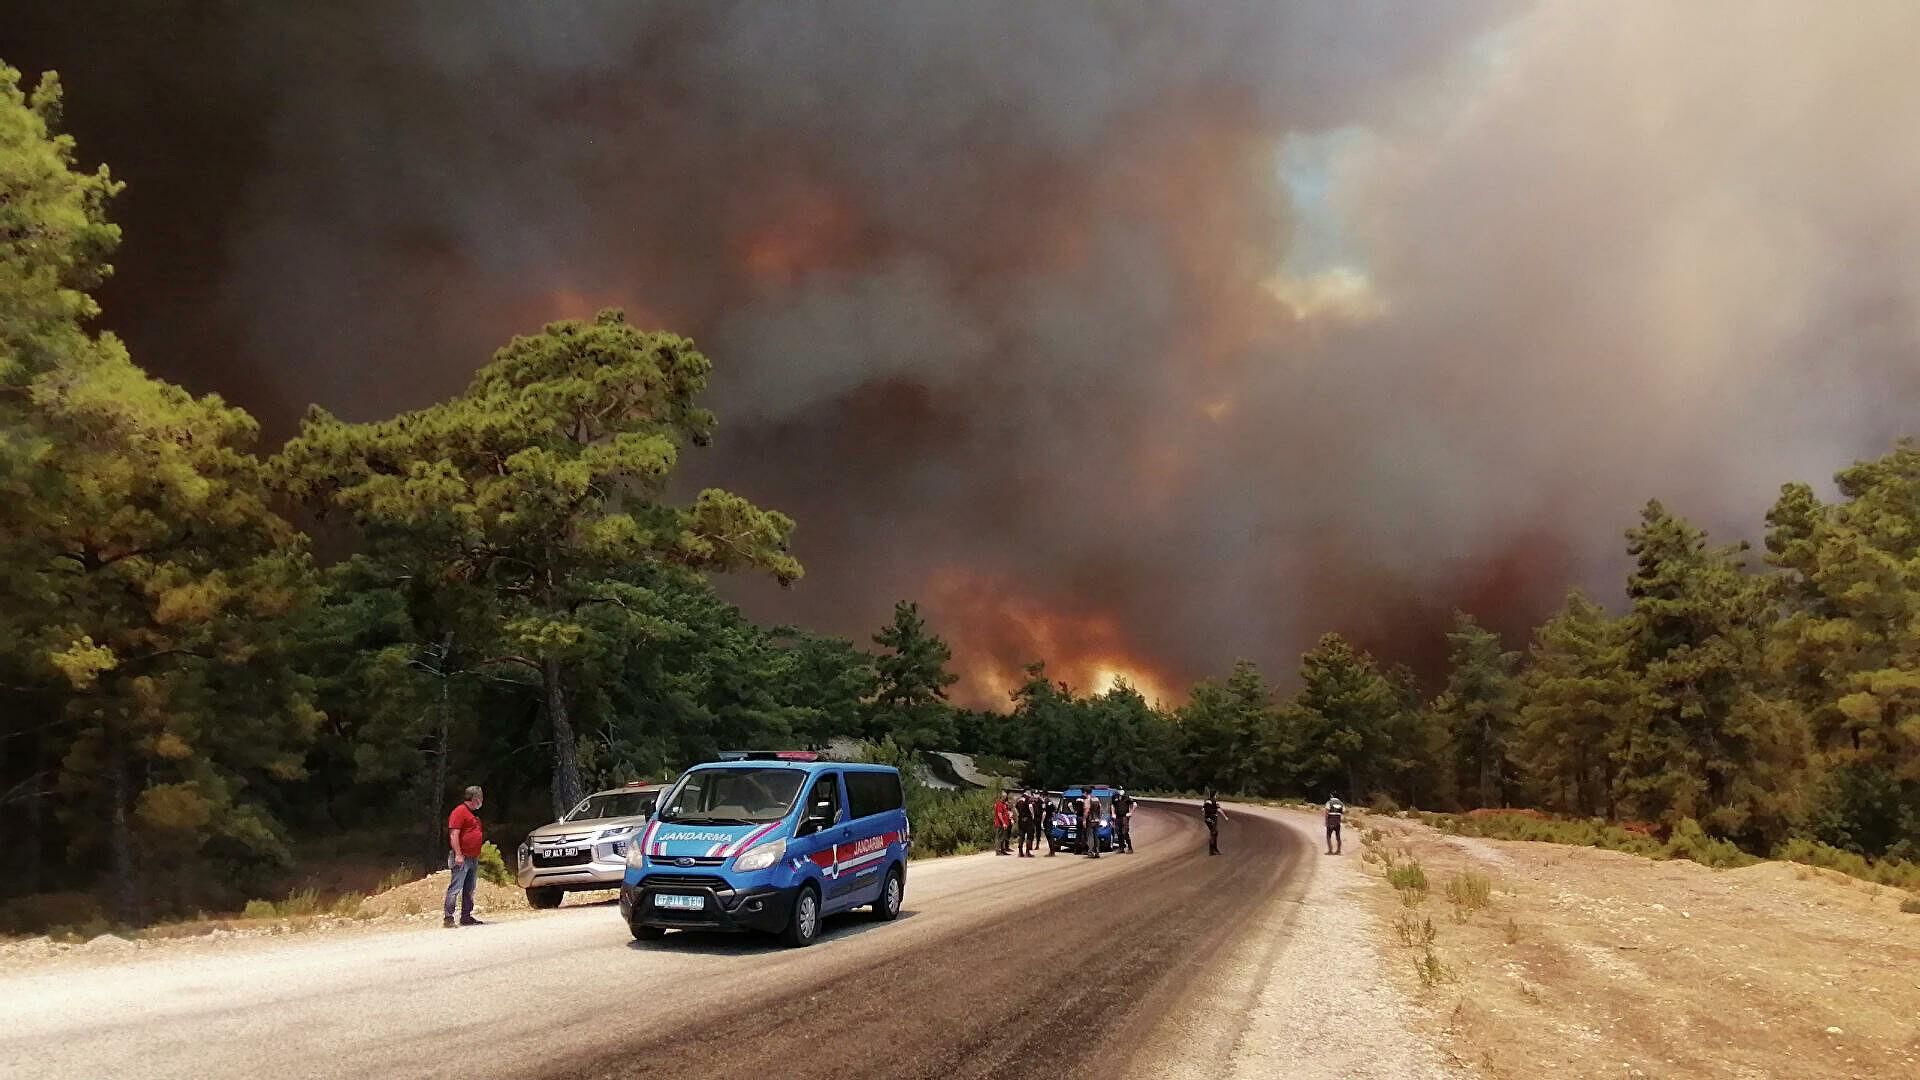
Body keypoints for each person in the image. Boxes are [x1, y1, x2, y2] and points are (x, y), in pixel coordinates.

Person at [445, 785, 486, 928]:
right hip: (462, 857)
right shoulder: (459, 812)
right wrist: (458, 854)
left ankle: (466, 916)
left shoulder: (471, 814)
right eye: (480, 798)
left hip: (472, 857)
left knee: (470, 888)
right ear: (475, 799)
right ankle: (448, 917)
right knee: (456, 887)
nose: (481, 801)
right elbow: (454, 835)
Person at [1201, 792, 1227, 856]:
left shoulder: (1208, 801)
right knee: (1214, 833)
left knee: (1214, 833)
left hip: (1209, 819)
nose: (1217, 796)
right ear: (1214, 795)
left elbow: (1202, 810)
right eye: (1216, 795)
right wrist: (1225, 817)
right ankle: (1212, 851)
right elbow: (1219, 810)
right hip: (1212, 818)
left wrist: (1206, 816)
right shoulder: (1213, 802)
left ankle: (1214, 850)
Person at [1112, 788, 1136, 853]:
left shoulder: (1127, 798)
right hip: (1117, 817)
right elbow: (1112, 805)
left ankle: (1130, 848)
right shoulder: (1114, 797)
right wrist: (1113, 813)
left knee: (1125, 832)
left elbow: (1134, 804)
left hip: (1124, 817)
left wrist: (1131, 813)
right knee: (1118, 832)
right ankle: (1121, 848)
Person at [1014, 790, 1036, 857]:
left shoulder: (1019, 799)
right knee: (1029, 836)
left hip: (1021, 819)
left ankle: (1020, 852)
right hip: (1028, 819)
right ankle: (1027, 852)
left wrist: (1019, 815)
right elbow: (1030, 807)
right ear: (1028, 792)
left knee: (1021, 836)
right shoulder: (1028, 799)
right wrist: (1033, 815)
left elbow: (1015, 808)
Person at [1082, 789, 1102, 858]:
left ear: (1085, 792)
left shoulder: (1087, 800)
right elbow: (1100, 809)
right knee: (1096, 836)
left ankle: (1090, 852)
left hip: (1090, 820)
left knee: (1090, 836)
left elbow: (1087, 811)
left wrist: (1084, 820)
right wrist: (1099, 818)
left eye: (1083, 793)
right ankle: (1097, 851)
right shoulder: (1096, 799)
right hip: (1097, 820)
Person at [993, 791, 1014, 855]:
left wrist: (1011, 819)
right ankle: (998, 851)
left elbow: (1007, 812)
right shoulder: (999, 804)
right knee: (999, 838)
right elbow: (999, 814)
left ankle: (1003, 850)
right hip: (1000, 824)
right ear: (1002, 797)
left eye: (1006, 796)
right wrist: (1003, 823)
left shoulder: (1004, 804)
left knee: (1003, 837)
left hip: (1004, 823)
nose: (1005, 798)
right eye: (1005, 797)